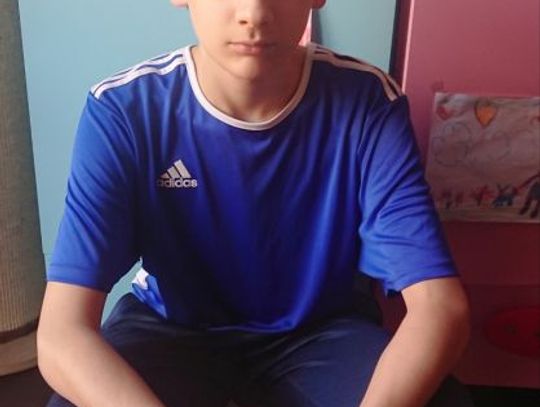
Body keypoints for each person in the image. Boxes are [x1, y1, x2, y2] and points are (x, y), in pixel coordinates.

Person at [37, 1, 473, 406]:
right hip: (171, 326)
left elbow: (439, 306)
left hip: (321, 332)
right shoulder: (124, 110)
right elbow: (61, 333)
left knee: (441, 399)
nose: (255, 12)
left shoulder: (368, 101)